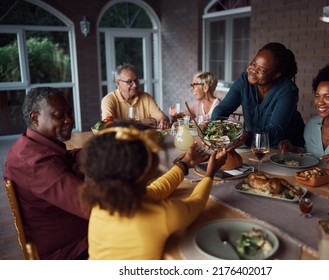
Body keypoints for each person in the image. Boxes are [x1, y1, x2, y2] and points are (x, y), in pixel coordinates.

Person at [80, 121, 227, 260]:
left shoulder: (100, 202)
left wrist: (184, 165)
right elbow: (197, 203)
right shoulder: (163, 215)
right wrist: (210, 174)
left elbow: (154, 190)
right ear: (146, 169)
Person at [3, 87, 89, 260]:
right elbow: (90, 206)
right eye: (60, 115)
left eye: (70, 114)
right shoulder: (36, 163)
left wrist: (98, 151)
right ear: (35, 118)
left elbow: (65, 159)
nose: (69, 120)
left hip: (68, 233)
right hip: (70, 250)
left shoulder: (29, 145)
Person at [211, 42, 305, 148]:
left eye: (262, 69)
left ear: (276, 75)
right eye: (253, 64)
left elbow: (275, 131)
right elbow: (221, 110)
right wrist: (215, 130)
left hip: (284, 151)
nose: (253, 70)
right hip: (253, 147)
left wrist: (247, 135)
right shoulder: (243, 81)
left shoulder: (287, 90)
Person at [101, 63, 170, 129]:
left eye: (136, 80)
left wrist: (163, 121)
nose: (135, 85)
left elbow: (161, 117)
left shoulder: (146, 97)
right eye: (129, 81)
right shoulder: (108, 100)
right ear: (118, 83)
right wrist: (140, 123)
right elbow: (108, 124)